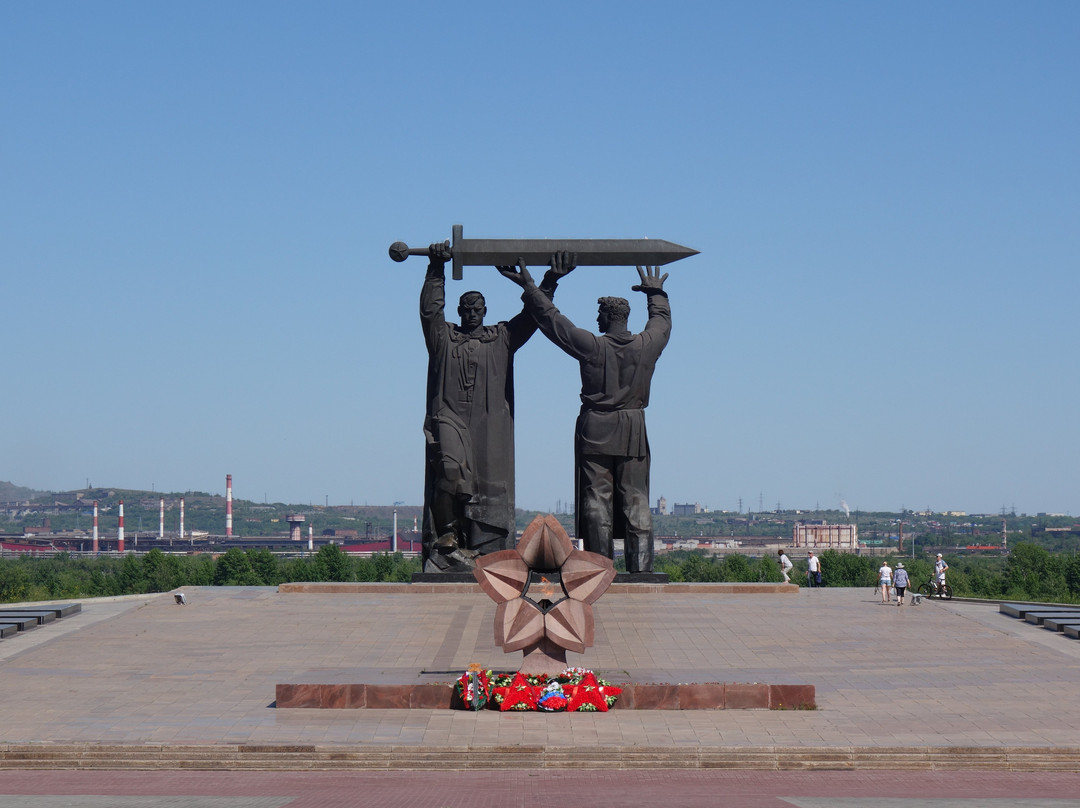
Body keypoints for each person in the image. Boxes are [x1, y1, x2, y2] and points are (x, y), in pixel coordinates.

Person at [499, 253, 671, 573]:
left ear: (609, 316)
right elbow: (662, 324)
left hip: (596, 428)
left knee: (596, 499)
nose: (597, 319)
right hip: (632, 427)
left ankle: (599, 569)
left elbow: (553, 322)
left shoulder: (593, 347)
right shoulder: (645, 346)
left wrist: (531, 286)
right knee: (636, 498)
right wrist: (656, 294)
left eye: (599, 313)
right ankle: (641, 570)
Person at [420, 242, 561, 571]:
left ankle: (481, 551)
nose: (471, 314)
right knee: (450, 470)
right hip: (449, 417)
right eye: (466, 309)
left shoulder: (502, 338)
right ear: (459, 311)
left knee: (486, 488)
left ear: (484, 311)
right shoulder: (443, 338)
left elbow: (532, 317)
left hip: (489, 426)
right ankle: (447, 538)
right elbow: (430, 312)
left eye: (477, 309)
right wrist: (436, 270)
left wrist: (549, 281)